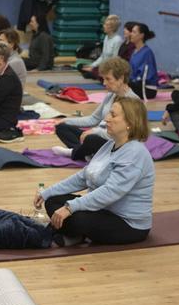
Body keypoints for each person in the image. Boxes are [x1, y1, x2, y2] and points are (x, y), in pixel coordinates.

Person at [36, 97, 155, 246]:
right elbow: (83, 177)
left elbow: (109, 192)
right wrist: (48, 192)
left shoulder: (135, 154)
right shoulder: (110, 144)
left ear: (130, 123)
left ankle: (74, 234)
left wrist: (70, 207)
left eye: (113, 115)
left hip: (128, 225)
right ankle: (75, 236)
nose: (106, 119)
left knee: (75, 218)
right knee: (53, 200)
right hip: (103, 211)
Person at [52, 58, 140, 160]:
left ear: (120, 79)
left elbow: (122, 135)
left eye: (108, 79)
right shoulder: (110, 95)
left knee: (91, 139)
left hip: (117, 144)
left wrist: (95, 131)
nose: (104, 83)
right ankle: (86, 153)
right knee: (62, 127)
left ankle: (75, 152)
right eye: (103, 79)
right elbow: (93, 119)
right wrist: (67, 121)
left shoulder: (133, 101)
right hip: (100, 136)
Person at [81, 15, 123, 80]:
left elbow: (115, 61)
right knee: (81, 67)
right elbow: (102, 56)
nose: (103, 26)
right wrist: (92, 65)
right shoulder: (106, 37)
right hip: (103, 67)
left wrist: (100, 69)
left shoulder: (117, 40)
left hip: (110, 69)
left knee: (88, 74)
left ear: (111, 27)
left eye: (106, 25)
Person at [128, 23, 159, 99]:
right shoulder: (134, 52)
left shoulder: (147, 52)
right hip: (136, 84)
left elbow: (146, 75)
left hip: (147, 89)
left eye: (134, 32)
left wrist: (131, 81)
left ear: (141, 35)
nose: (131, 34)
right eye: (131, 31)